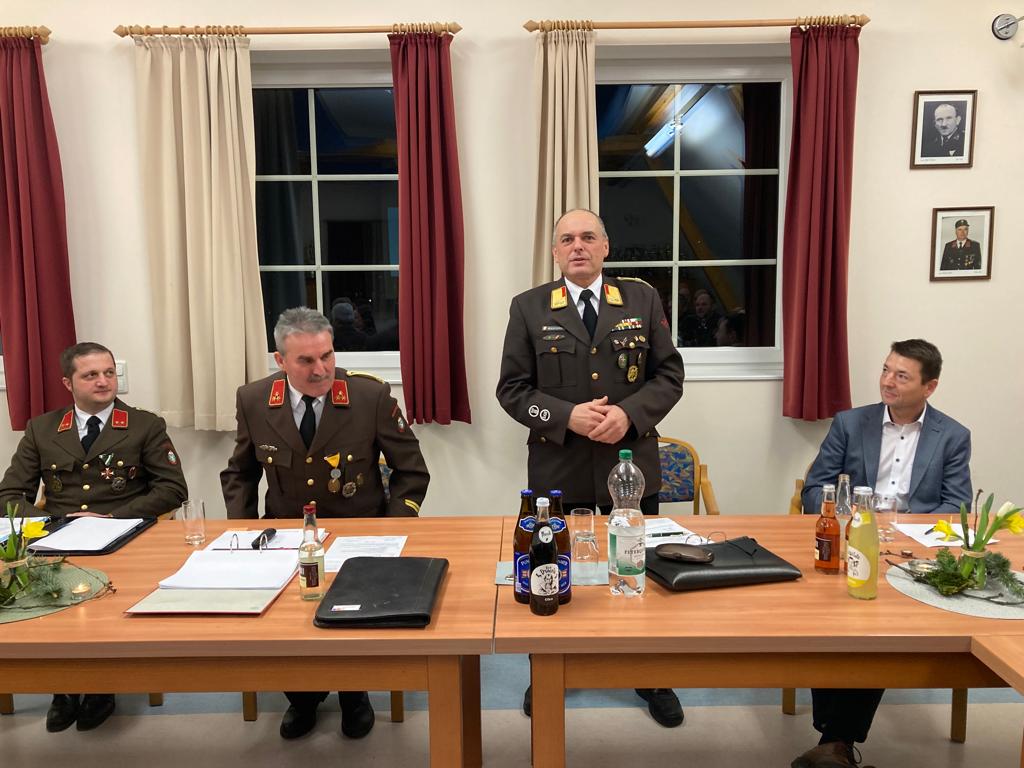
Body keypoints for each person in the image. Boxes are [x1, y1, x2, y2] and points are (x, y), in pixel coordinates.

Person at [496, 208, 686, 729]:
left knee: (637, 569)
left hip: (630, 468)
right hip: (559, 470)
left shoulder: (641, 299)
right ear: (555, 252)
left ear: (605, 247)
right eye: (566, 239)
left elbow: (669, 376)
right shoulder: (529, 307)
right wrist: (566, 416)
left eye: (587, 237)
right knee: (553, 569)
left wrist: (630, 414)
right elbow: (511, 390)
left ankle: (650, 675)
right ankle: (549, 668)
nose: (577, 246)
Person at [220, 306, 429, 742]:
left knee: (350, 615)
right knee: (282, 622)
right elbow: (240, 472)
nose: (321, 370)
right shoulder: (254, 399)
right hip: (286, 534)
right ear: (280, 360)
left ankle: (355, 694)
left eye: (327, 356)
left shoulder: (369, 396)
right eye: (306, 360)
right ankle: (302, 696)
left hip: (361, 532)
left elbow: (412, 472)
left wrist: (390, 531)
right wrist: (242, 532)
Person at [794, 339, 971, 768]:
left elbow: (956, 505)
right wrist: (848, 514)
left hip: (912, 555)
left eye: (902, 375)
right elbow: (814, 488)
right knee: (831, 617)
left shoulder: (952, 435)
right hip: (852, 543)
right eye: (886, 370)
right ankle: (836, 741)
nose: (888, 381)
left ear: (929, 387)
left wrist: (905, 527)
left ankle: (834, 741)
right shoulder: (850, 423)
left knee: (876, 626)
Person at [0, 341, 188, 733]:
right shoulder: (42, 428)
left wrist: (113, 517)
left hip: (125, 537)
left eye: (109, 373)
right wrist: (55, 522)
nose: (103, 381)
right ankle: (63, 689)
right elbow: (10, 495)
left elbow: (172, 489)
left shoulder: (143, 425)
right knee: (48, 599)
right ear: (68, 383)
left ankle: (102, 687)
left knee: (108, 603)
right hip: (57, 538)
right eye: (91, 375)